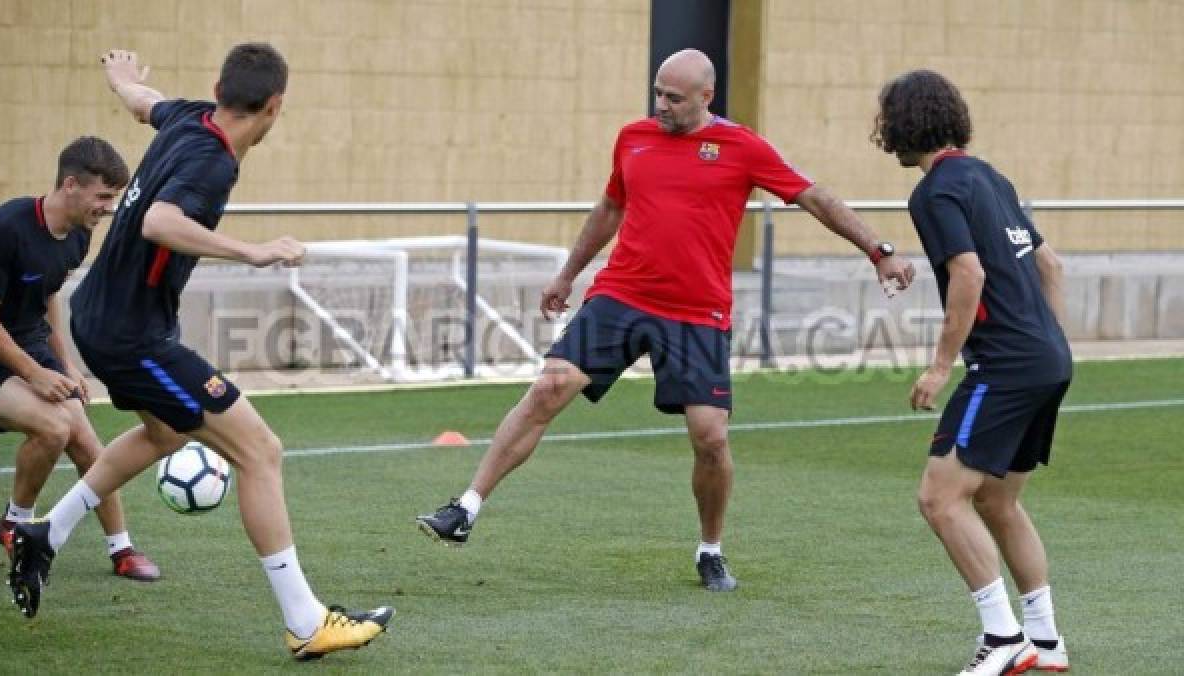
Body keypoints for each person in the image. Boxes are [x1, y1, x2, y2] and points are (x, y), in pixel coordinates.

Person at [418, 49, 916, 592]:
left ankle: (710, 548)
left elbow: (815, 197)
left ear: (707, 97)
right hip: (622, 295)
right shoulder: (633, 137)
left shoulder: (743, 146)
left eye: (674, 98)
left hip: (697, 311)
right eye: (657, 93)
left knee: (709, 439)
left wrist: (878, 249)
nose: (662, 105)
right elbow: (609, 209)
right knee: (548, 389)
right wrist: (567, 275)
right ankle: (465, 509)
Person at [8, 45, 393, 660]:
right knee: (261, 451)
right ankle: (306, 622)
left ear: (217, 89)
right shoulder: (212, 162)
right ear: (274, 106)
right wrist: (254, 250)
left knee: (163, 436)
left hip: (102, 321)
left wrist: (122, 79)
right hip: (135, 337)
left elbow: (145, 104)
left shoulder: (189, 116)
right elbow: (161, 221)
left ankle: (43, 532)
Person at [872, 69, 1071, 675]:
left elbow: (970, 274)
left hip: (1005, 364)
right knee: (998, 502)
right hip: (1046, 359)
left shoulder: (932, 193)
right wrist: (1051, 348)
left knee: (939, 497)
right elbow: (1051, 266)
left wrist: (939, 366)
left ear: (903, 125)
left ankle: (1004, 638)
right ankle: (1047, 644)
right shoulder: (991, 176)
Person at [0, 137, 160, 581]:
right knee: (54, 425)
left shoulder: (79, 236)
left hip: (28, 346)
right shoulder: (5, 228)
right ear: (70, 185)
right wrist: (34, 373)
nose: (107, 207)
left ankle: (121, 549)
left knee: (86, 441)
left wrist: (65, 366)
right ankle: (16, 523)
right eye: (102, 196)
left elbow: (48, 297)